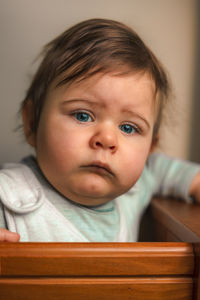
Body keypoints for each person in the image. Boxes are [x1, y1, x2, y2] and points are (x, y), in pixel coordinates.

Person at [0, 18, 200, 242]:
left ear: (149, 149)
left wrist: (195, 181)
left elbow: (158, 169)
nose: (106, 139)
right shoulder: (6, 194)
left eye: (128, 127)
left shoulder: (135, 189)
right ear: (32, 123)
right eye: (82, 116)